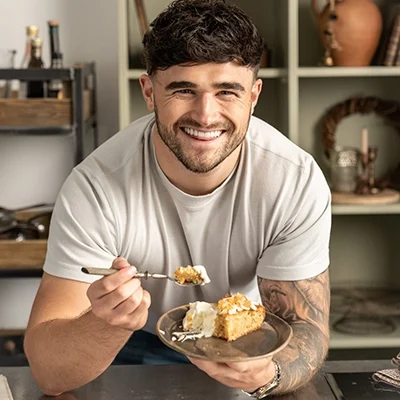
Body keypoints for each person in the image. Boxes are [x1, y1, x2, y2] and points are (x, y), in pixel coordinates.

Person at [24, 0, 331, 397]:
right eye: (184, 90)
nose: (205, 115)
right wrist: (107, 322)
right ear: (150, 92)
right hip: (130, 347)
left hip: (246, 345)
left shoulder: (293, 181)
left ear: (254, 95)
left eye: (227, 92)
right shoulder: (95, 188)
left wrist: (267, 375)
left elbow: (306, 330)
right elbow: (49, 374)